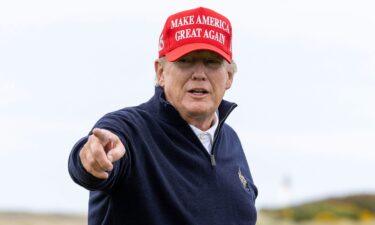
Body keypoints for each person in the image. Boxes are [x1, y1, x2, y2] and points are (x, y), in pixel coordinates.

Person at [68, 6, 258, 225]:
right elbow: (90, 160)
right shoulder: (129, 130)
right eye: (185, 61)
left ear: (229, 77)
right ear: (160, 72)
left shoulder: (231, 142)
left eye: (211, 62)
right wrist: (89, 160)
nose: (198, 74)